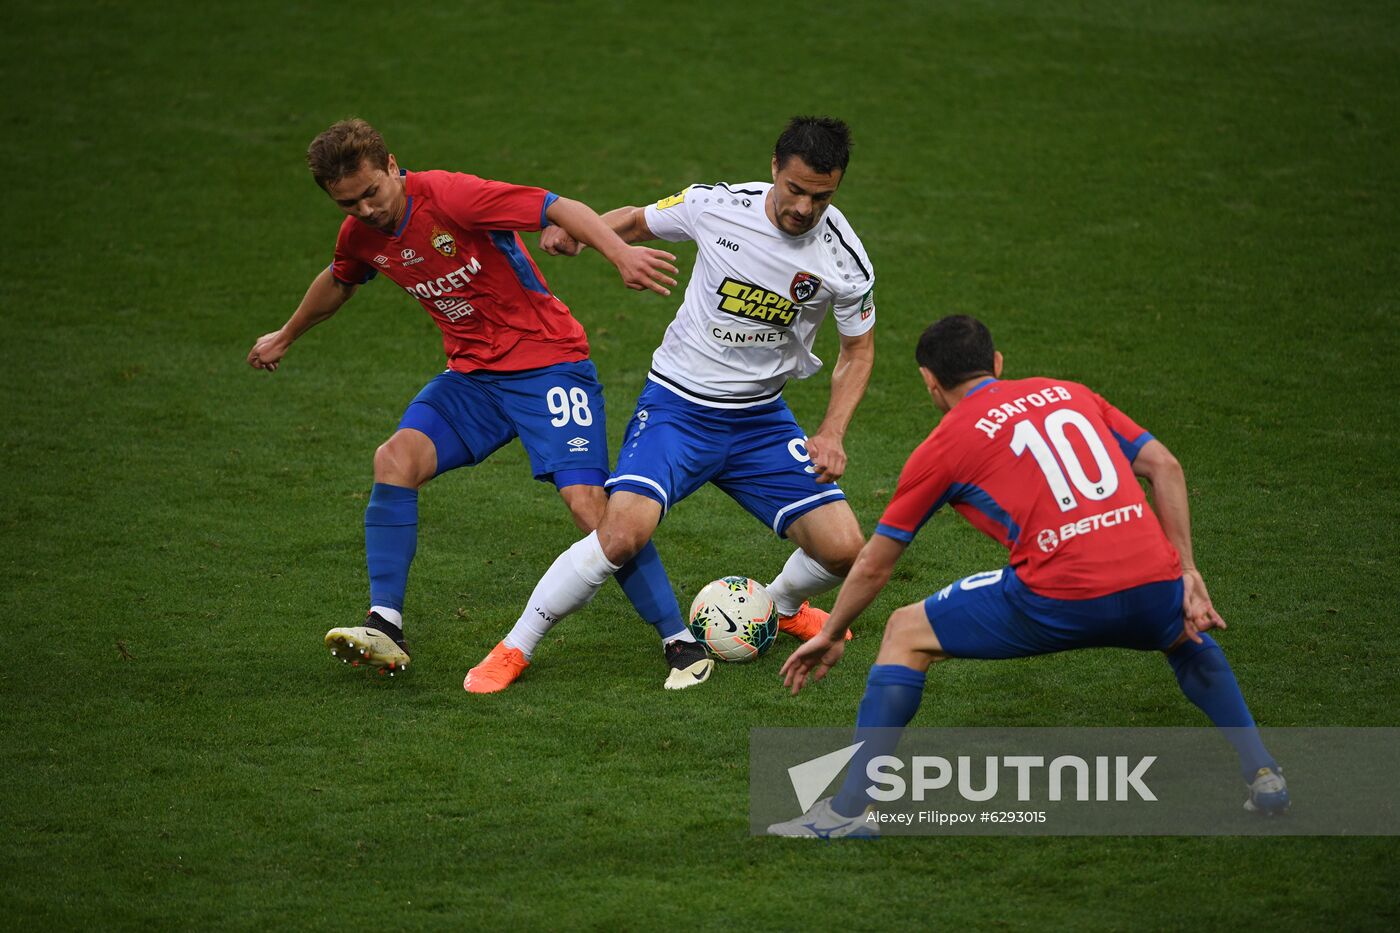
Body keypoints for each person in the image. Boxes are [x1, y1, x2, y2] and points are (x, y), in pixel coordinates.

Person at [769, 315, 1289, 837]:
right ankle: (1262, 771)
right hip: (1154, 582)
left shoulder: (945, 446)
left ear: (930, 382)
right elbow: (1165, 467)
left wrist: (832, 632)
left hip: (1059, 596)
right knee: (1183, 634)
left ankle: (848, 812)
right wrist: (1188, 571)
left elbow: (876, 562)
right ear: (997, 364)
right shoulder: (1071, 392)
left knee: (906, 633)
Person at [247, 118, 684, 682]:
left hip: (549, 363)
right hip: (473, 379)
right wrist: (285, 334)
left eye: (371, 194)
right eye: (347, 204)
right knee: (394, 460)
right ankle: (385, 624)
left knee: (590, 509)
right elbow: (340, 279)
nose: (365, 212)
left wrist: (619, 254)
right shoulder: (361, 234)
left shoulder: (453, 197)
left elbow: (557, 206)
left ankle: (677, 638)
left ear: (392, 166)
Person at [463, 116, 876, 693]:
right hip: (679, 409)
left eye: (822, 196)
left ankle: (776, 607)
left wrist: (831, 431)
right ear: (775, 169)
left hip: (760, 420)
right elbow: (636, 220)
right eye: (796, 189)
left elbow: (857, 353)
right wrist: (583, 233)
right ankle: (515, 647)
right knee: (620, 536)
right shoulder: (715, 206)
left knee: (844, 550)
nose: (805, 208)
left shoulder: (844, 259)